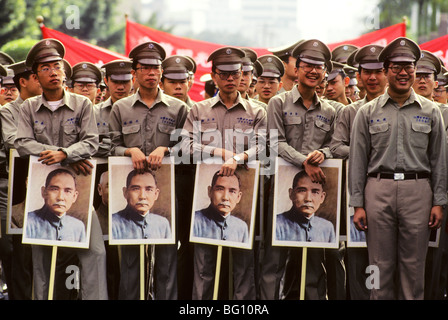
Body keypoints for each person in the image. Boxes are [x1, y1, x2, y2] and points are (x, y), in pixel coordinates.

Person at [349, 37, 447, 300]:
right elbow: (358, 161)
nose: (403, 73)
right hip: (377, 191)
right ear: (386, 70)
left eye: (409, 67)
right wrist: (357, 203)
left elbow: (439, 159)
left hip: (418, 192)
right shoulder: (367, 112)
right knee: (378, 265)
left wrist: (439, 201)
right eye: (396, 67)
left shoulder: (431, 111)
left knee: (414, 266)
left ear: (415, 69)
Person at [14, 38, 107, 300]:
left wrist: (65, 153)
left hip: (77, 189)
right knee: (41, 255)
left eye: (57, 66)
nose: (53, 72)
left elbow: (91, 141)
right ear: (35, 76)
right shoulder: (29, 107)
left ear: (64, 72)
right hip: (42, 191)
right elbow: (21, 143)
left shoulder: (82, 104)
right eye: (46, 68)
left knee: (94, 251)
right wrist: (60, 155)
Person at [181, 46, 267, 300]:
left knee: (243, 263)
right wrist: (219, 152)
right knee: (204, 264)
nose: (231, 79)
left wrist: (239, 157)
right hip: (206, 197)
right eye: (224, 74)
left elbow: (264, 145)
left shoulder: (256, 112)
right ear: (214, 77)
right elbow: (184, 146)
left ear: (242, 75)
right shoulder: (199, 110)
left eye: (236, 74)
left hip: (242, 198)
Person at [109, 40, 188, 300]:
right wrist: (129, 151)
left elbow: (188, 148)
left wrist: (166, 150)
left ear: (161, 72)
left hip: (165, 192)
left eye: (156, 68)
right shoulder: (120, 108)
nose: (152, 73)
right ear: (135, 72)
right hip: (130, 195)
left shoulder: (178, 108)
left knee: (166, 257)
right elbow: (108, 146)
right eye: (145, 68)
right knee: (131, 259)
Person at [260, 39, 336, 301]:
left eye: (319, 67)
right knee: (274, 257)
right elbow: (275, 142)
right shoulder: (278, 104)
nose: (314, 71)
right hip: (282, 187)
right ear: (297, 68)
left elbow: (335, 145)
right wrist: (304, 161)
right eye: (308, 66)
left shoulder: (330, 110)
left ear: (325, 72)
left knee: (314, 256)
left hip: (315, 193)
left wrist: (323, 154)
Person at [329, 44, 387, 300]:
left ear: (387, 73)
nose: (372, 77)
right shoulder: (350, 111)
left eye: (378, 71)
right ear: (359, 76)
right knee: (358, 259)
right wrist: (364, 153)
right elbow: (336, 146)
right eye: (367, 72)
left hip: (391, 194)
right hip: (357, 195)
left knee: (388, 259)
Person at [0, 61, 42, 300]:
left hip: (43, 182)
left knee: (36, 248)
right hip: (12, 185)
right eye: (35, 76)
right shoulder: (8, 111)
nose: (41, 80)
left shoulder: (45, 106)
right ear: (23, 82)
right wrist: (50, 149)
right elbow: (14, 143)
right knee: (14, 248)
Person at [26, 168, 84, 242]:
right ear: (44, 192)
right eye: (54, 189)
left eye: (68, 191)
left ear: (74, 196)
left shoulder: (78, 226)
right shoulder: (28, 222)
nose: (60, 197)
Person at [276, 170, 334, 243]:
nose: (308, 199)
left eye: (315, 192)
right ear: (291, 194)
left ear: (322, 197)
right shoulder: (277, 223)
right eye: (302, 191)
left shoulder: (327, 227)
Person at [112, 168, 171, 240]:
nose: (142, 196)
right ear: (125, 193)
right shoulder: (113, 223)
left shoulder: (163, 223)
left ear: (156, 194)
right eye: (136, 189)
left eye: (149, 189)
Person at [193, 171, 248, 243]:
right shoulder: (195, 220)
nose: (225, 197)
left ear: (238, 197)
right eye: (219, 189)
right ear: (210, 191)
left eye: (232, 191)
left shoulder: (242, 227)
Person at [94, 60, 134, 158]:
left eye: (125, 82)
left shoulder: (142, 111)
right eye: (115, 82)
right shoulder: (94, 112)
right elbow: (89, 145)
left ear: (132, 81)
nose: (120, 87)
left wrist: (105, 144)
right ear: (106, 81)